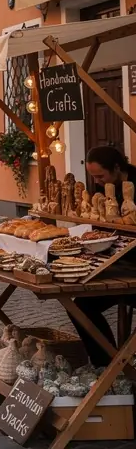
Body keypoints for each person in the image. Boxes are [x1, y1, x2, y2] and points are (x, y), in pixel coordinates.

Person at [63, 145, 136, 365]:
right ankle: (107, 364)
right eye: (93, 177)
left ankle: (113, 367)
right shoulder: (105, 190)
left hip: (132, 268)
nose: (97, 182)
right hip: (119, 263)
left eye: (100, 176)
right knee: (80, 307)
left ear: (116, 167)